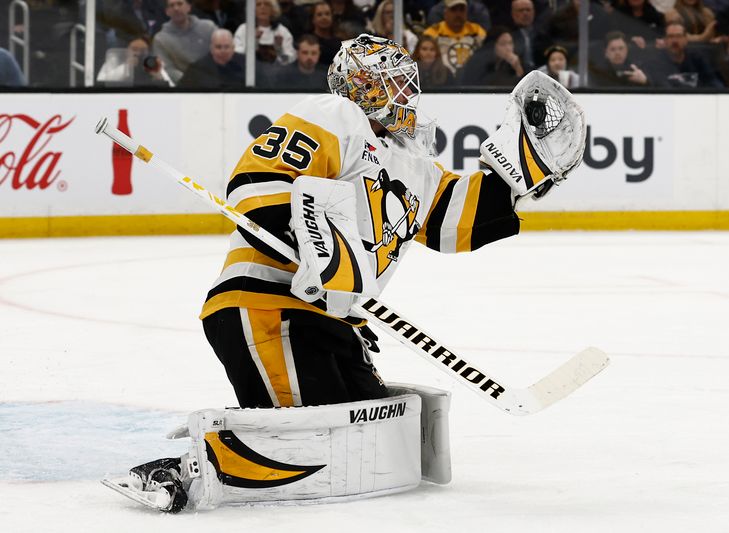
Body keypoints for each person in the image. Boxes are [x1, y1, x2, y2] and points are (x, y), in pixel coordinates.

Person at [106, 32, 586, 513]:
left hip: (335, 318)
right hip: (267, 304)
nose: (407, 93)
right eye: (394, 82)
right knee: (318, 439)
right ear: (362, 87)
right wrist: (318, 251)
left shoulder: (412, 160)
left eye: (406, 81)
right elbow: (257, 185)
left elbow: (452, 223)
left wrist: (518, 175)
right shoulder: (335, 117)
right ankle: (182, 470)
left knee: (373, 433)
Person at [153, 0, 218, 82]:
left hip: (216, 80)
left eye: (180, 4)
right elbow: (167, 68)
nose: (176, 8)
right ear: (167, 12)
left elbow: (223, 52)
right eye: (172, 5)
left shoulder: (209, 27)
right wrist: (190, 83)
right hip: (185, 87)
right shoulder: (160, 39)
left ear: (189, 7)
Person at [646, 21, 721, 87]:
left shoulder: (698, 59)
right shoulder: (656, 62)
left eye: (679, 36)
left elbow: (713, 82)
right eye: (670, 36)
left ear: (686, 39)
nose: (675, 41)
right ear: (665, 40)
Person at [423, 0, 487, 76]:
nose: (458, 14)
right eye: (453, 9)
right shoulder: (433, 32)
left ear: (466, 13)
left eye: (461, 10)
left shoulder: (477, 31)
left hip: (472, 79)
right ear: (445, 13)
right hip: (441, 78)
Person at [233, 0, 297, 66]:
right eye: (258, 5)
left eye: (266, 4)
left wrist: (279, 49)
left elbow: (290, 59)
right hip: (249, 71)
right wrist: (254, 42)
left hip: (276, 72)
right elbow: (238, 56)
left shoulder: (282, 31)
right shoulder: (244, 29)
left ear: (273, 10)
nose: (262, 7)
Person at [96, 35, 175, 87]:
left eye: (142, 50)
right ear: (127, 49)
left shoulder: (153, 63)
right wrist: (126, 67)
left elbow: (171, 87)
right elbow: (101, 81)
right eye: (134, 49)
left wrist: (158, 76)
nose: (138, 53)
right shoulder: (115, 60)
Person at [178, 28, 245, 87]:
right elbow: (181, 93)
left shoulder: (246, 64)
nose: (223, 51)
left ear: (233, 48)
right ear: (211, 49)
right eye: (218, 47)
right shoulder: (196, 69)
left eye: (226, 47)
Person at [459, 26, 525, 86]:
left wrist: (518, 68)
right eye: (503, 44)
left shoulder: (516, 63)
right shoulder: (478, 63)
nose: (508, 48)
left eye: (510, 43)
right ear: (492, 46)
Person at [310, 1, 343, 65]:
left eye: (327, 14)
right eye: (319, 15)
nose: (324, 18)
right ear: (313, 19)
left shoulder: (340, 42)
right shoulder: (308, 40)